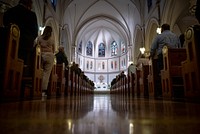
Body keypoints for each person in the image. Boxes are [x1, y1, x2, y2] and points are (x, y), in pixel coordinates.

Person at [3, 0, 38, 76]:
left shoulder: (10, 11)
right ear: (29, 4)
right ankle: (18, 83)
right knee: (21, 67)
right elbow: (35, 33)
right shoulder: (31, 15)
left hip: (8, 44)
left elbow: (6, 25)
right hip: (24, 47)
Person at [37, 26, 55, 97]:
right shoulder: (52, 39)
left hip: (40, 55)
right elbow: (53, 49)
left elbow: (37, 46)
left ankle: (37, 88)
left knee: (39, 72)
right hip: (49, 56)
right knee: (46, 74)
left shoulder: (40, 37)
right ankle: (43, 91)